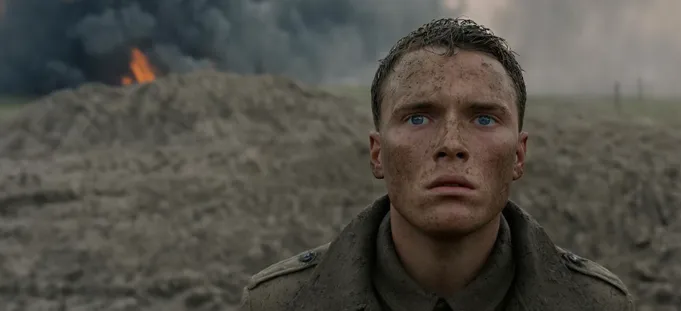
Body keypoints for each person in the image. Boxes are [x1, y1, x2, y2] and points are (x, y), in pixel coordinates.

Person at [241, 18, 635, 311]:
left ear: (518, 155)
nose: (451, 145)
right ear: (378, 153)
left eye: (483, 118)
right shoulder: (278, 303)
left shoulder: (597, 304)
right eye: (418, 117)